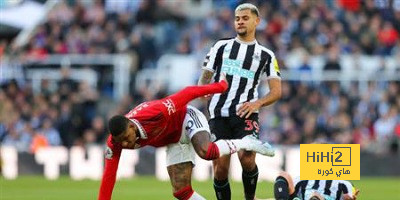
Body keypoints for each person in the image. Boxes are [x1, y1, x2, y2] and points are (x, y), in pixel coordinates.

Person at [98, 74, 275, 200]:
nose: (126, 143)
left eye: (127, 138)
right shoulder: (115, 143)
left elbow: (188, 93)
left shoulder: (154, 113)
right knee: (181, 192)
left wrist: (220, 87)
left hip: (186, 119)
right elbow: (109, 175)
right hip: (174, 141)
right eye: (122, 141)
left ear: (131, 125)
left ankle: (246, 142)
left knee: (207, 152)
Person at [198, 3, 282, 200]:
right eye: (237, 19)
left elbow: (277, 91)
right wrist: (203, 91)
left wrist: (257, 103)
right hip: (219, 114)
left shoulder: (267, 55)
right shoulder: (221, 47)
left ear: (256, 21)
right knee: (220, 168)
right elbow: (204, 78)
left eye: (245, 18)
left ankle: (249, 198)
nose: (240, 22)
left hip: (246, 113)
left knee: (247, 157)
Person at [274, 171, 360, 200]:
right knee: (283, 175)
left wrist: (349, 198)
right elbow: (291, 191)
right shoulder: (302, 178)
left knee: (316, 196)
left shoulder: (343, 183)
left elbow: (351, 196)